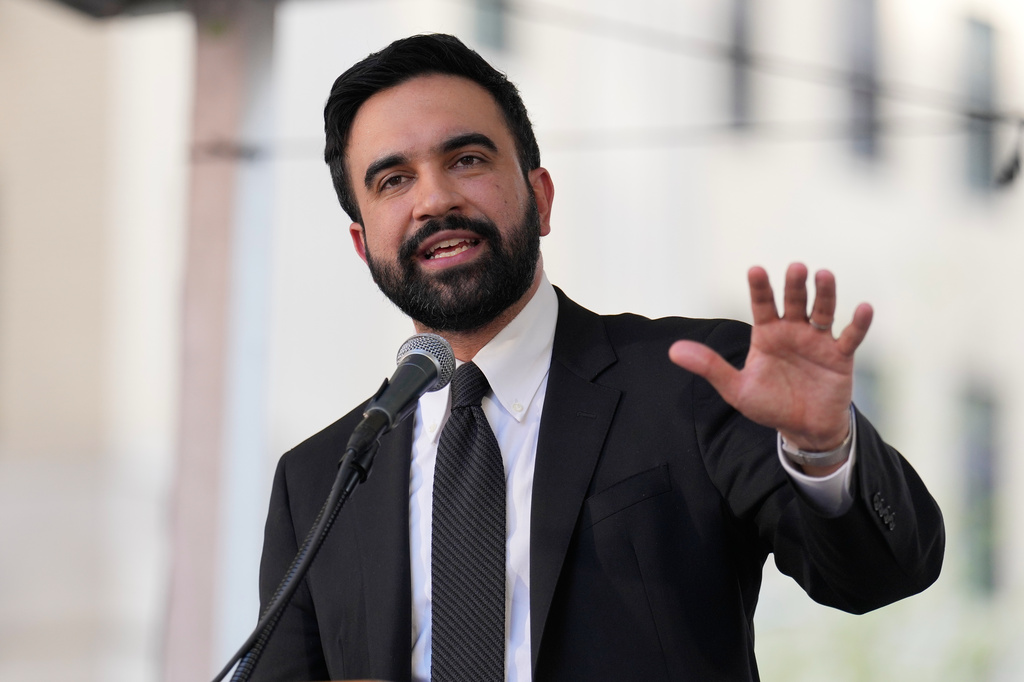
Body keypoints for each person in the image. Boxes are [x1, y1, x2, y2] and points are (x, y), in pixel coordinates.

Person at [255, 33, 944, 682]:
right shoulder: (319, 482)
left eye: (466, 160)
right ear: (362, 242)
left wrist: (824, 451)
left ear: (541, 197)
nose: (434, 199)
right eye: (393, 181)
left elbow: (879, 576)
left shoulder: (697, 379)